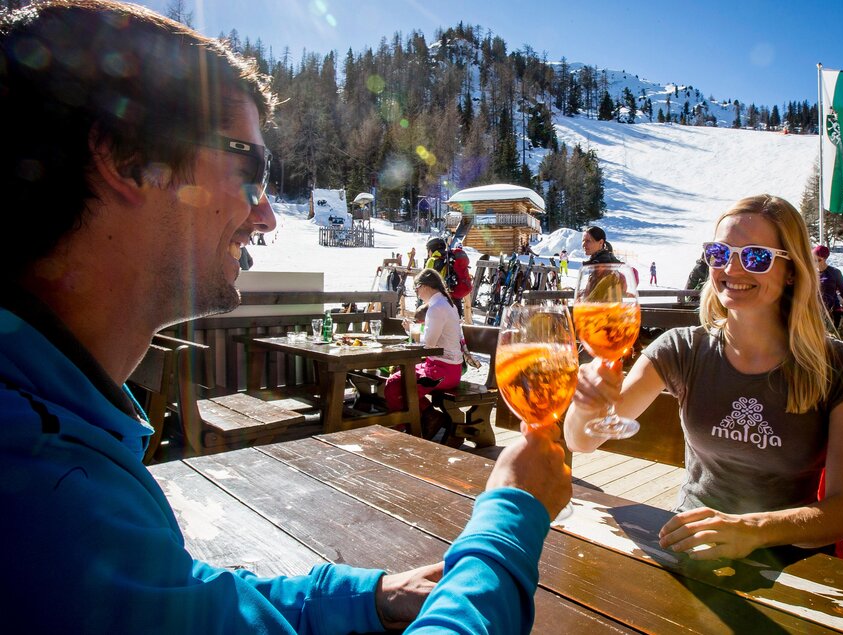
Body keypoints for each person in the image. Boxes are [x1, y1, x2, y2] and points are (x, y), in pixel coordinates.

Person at [0, 2, 570, 633]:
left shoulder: (57, 434)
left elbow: (186, 601)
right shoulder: (40, 487)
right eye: (251, 171)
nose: (268, 215)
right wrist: (511, 521)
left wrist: (367, 597)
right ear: (130, 158)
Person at [565, 195, 843, 562]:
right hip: (688, 545)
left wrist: (750, 530)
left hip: (793, 561)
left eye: (756, 257)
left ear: (791, 270)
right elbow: (581, 441)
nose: (732, 269)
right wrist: (587, 404)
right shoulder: (681, 349)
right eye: (719, 254)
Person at [385, 269, 464, 436]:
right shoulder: (445, 303)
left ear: (426, 286)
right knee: (400, 376)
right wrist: (412, 331)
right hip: (448, 369)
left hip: (442, 371)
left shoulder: (436, 307)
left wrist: (411, 331)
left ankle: (401, 427)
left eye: (416, 289)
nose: (417, 294)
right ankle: (430, 415)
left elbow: (428, 344)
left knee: (394, 384)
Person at [813, 244, 843, 341]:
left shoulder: (835, 272)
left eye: (815, 259)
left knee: (832, 340)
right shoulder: (812, 273)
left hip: (832, 311)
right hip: (816, 311)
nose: (813, 261)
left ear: (822, 259)